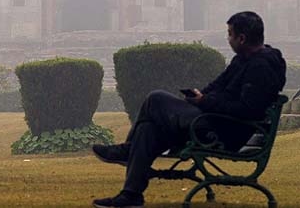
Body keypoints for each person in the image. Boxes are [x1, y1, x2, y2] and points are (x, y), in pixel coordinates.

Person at [90, 11, 286, 208]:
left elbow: (246, 111)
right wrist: (199, 96)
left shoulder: (260, 67)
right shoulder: (241, 60)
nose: (228, 39)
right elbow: (217, 86)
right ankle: (131, 195)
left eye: (230, 34)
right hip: (213, 121)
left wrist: (205, 102)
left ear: (241, 38)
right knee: (147, 129)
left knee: (155, 98)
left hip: (225, 132)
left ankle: (127, 150)